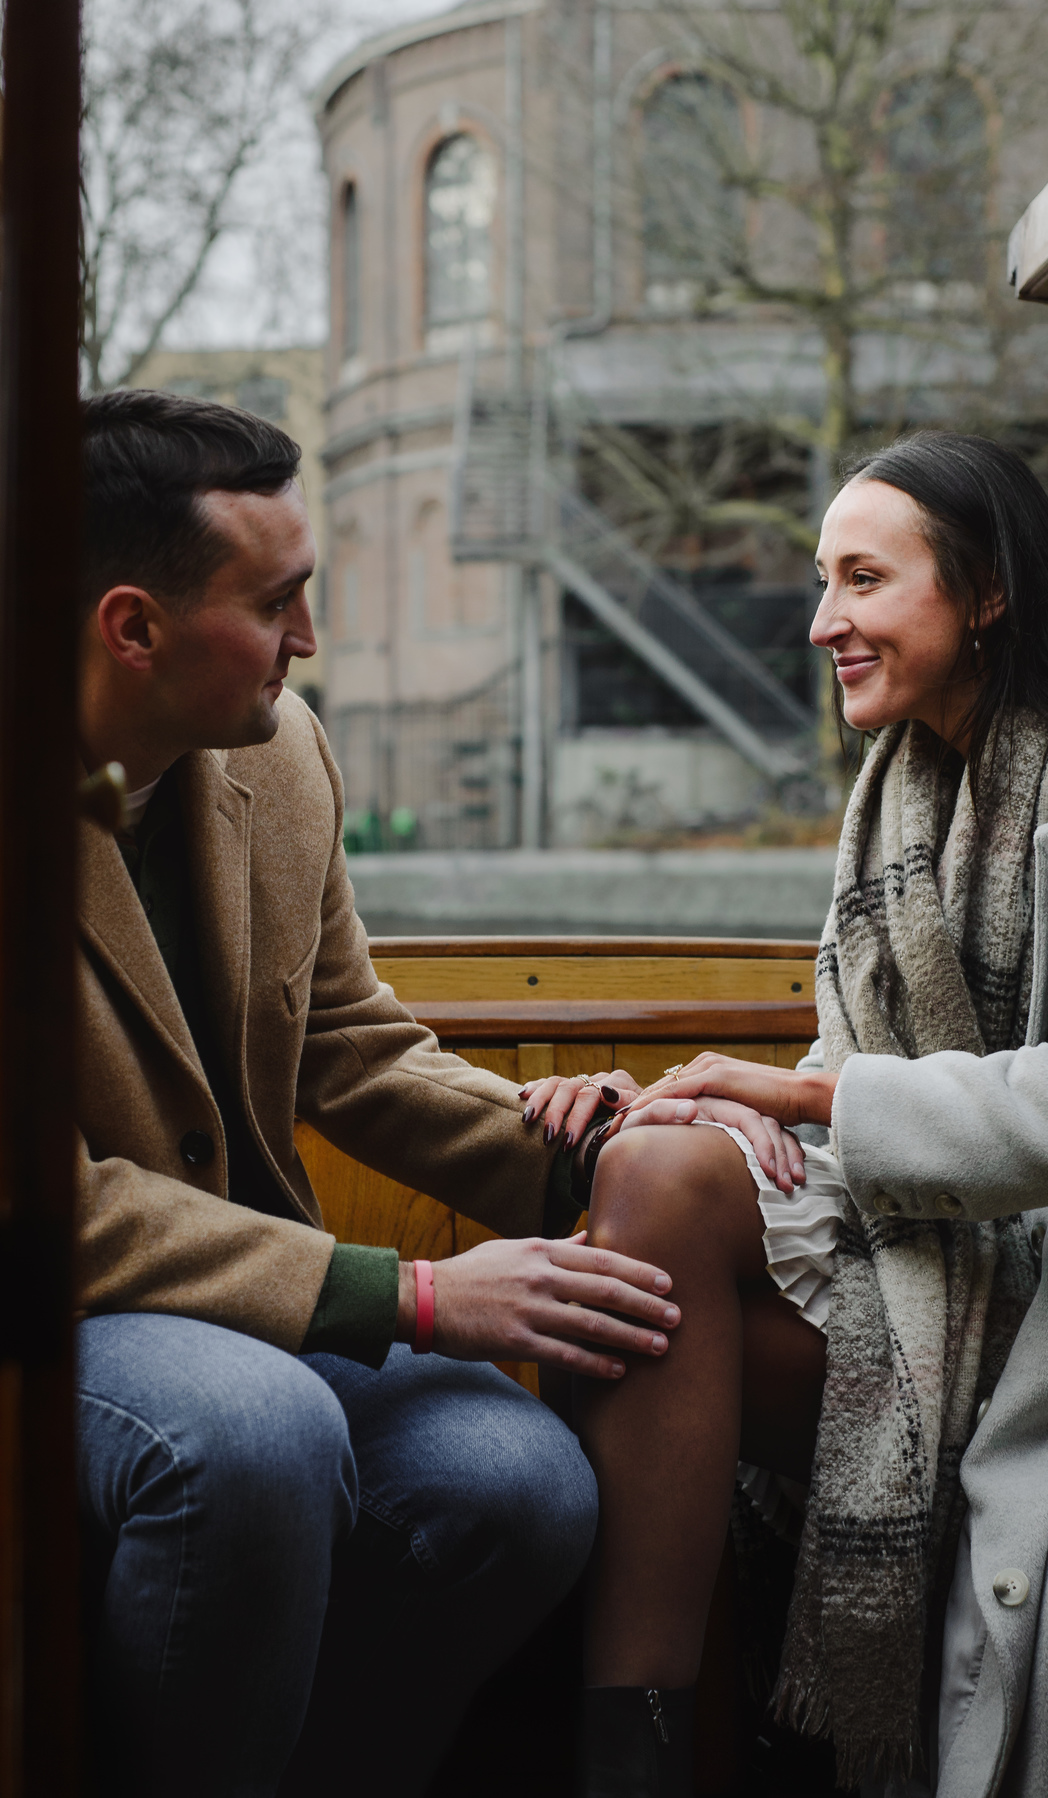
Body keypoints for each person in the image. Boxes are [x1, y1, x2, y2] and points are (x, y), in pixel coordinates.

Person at [520, 431, 1048, 1798]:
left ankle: (692, 1748)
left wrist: (819, 1096)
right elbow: (876, 1077)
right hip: (962, 1256)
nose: (823, 619)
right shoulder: (906, 788)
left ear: (988, 592)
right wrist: (715, 1118)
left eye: (863, 579)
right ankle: (633, 1755)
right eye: (822, 579)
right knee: (654, 1166)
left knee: (667, 1228)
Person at [74, 389, 678, 1797]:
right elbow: (58, 1200)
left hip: (264, 1309)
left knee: (518, 1486)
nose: (310, 641)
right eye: (278, 600)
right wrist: (406, 1296)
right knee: (254, 1431)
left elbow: (348, 1040)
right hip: (66, 1317)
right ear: (132, 626)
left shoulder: (279, 750)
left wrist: (587, 1156)